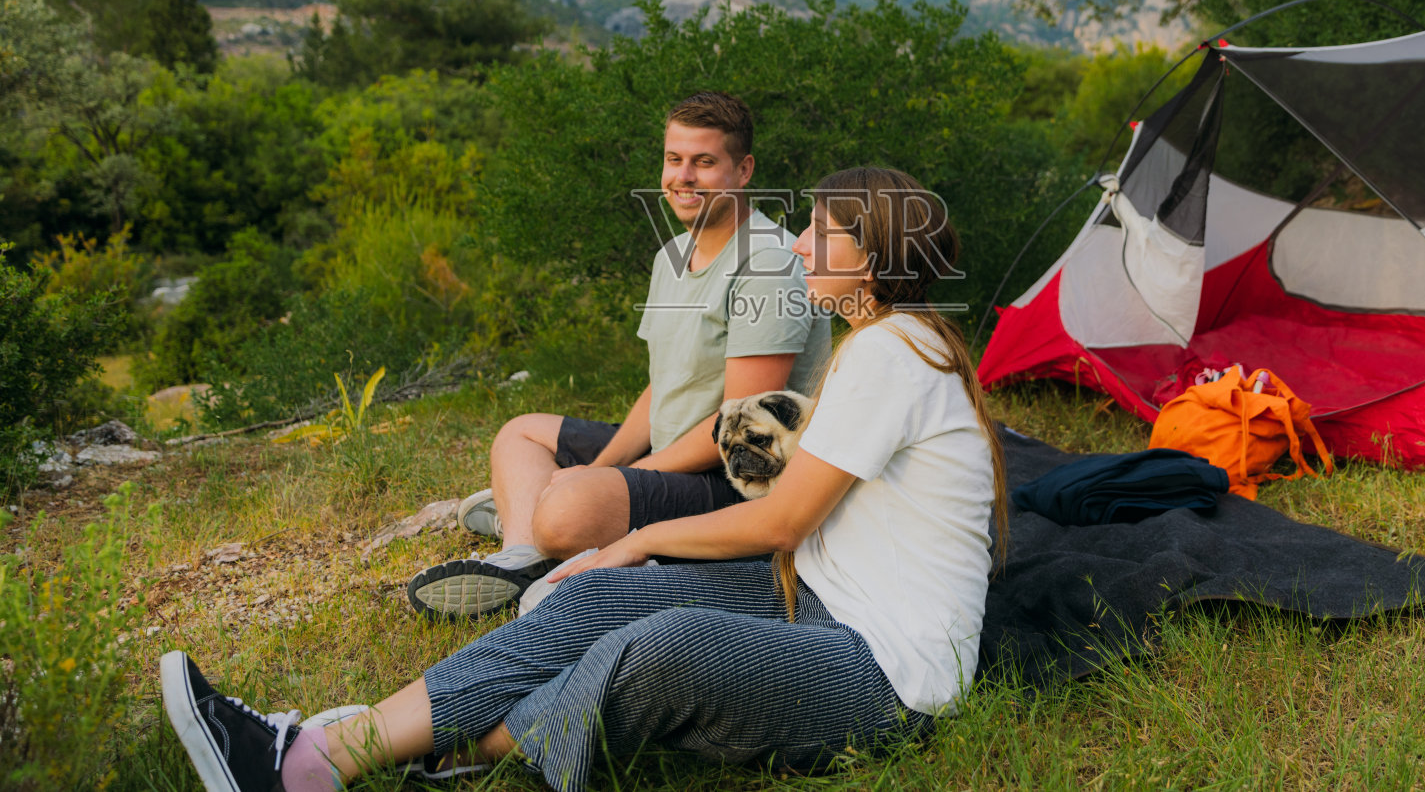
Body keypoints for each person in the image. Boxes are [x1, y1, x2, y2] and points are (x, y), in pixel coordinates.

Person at [159, 166, 1008, 792]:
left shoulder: (895, 349)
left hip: (890, 674)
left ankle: (425, 750)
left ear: (873, 256)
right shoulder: (881, 342)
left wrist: (637, 539)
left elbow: (782, 522)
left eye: (821, 233)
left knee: (665, 646)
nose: (796, 245)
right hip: (816, 596)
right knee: (595, 598)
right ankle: (313, 755)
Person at [409, 90, 830, 618]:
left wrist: (618, 478)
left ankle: (545, 524)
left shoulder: (768, 263)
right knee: (520, 433)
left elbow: (741, 428)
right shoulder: (671, 256)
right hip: (674, 448)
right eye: (674, 159)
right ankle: (520, 558)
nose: (684, 177)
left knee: (568, 509)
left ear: (743, 170)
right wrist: (604, 467)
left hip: (734, 478)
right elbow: (664, 384)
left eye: (704, 162)